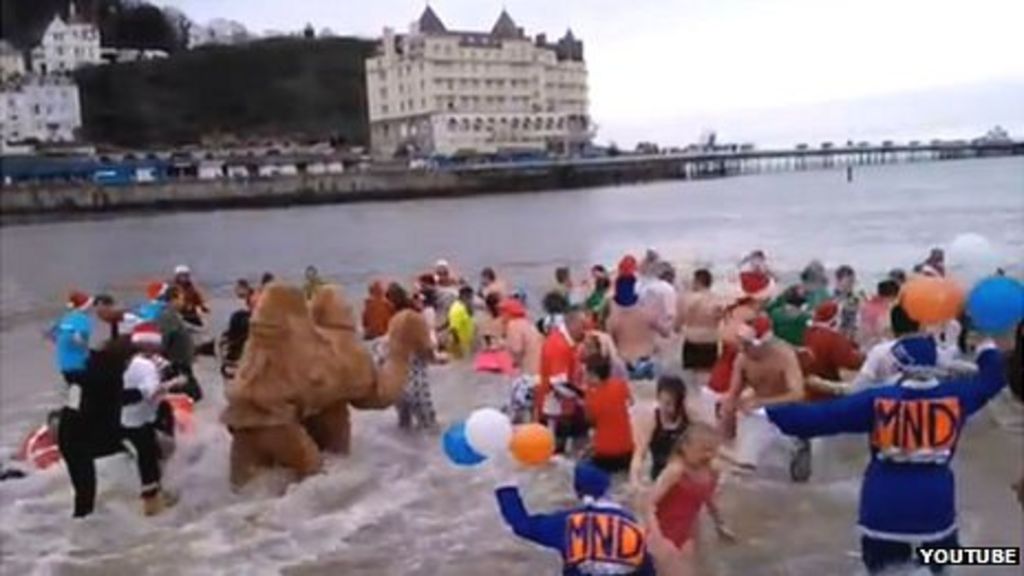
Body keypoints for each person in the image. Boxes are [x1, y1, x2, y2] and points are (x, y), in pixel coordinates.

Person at [766, 334, 1008, 574]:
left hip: (882, 513)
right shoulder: (958, 398)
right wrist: (986, 346)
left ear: (896, 365)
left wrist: (766, 411)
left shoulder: (876, 401)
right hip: (935, 512)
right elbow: (993, 379)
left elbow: (817, 419)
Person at [495, 461, 655, 576]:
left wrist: (506, 486)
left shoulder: (567, 523)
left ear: (577, 492)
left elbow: (522, 525)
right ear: (608, 487)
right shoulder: (633, 523)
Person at [720, 315, 810, 480]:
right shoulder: (742, 358)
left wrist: (762, 402)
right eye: (741, 343)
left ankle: (799, 448)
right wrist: (725, 434)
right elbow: (732, 396)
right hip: (758, 412)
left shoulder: (784, 355)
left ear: (763, 344)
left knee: (791, 475)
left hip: (785, 411)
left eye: (747, 345)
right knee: (744, 465)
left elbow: (797, 394)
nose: (743, 349)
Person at [646, 423, 734, 576]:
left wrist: (720, 524)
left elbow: (709, 498)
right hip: (663, 533)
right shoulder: (675, 471)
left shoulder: (712, 470)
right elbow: (647, 504)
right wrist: (658, 539)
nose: (708, 455)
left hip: (687, 533)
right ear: (685, 447)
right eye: (703, 450)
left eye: (712, 450)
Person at [121, 323, 179, 516]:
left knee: (146, 457)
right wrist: (170, 385)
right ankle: (153, 505)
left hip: (122, 420)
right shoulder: (148, 365)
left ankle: (150, 495)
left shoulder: (122, 361)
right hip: (139, 420)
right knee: (150, 458)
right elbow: (150, 392)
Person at [385, 283, 445, 430]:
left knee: (404, 428)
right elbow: (426, 348)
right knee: (430, 428)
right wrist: (439, 359)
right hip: (415, 382)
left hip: (396, 382)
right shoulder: (414, 318)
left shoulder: (393, 321)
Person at [536, 307, 589, 454]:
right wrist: (584, 397)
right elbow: (558, 384)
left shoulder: (567, 342)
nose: (585, 331)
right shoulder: (559, 345)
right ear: (572, 324)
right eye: (583, 326)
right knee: (553, 454)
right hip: (553, 409)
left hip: (567, 407)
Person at [630, 375, 690, 488]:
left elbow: (706, 441)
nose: (672, 409)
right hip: (661, 475)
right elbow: (639, 454)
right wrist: (635, 480)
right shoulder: (651, 420)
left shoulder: (689, 416)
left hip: (685, 472)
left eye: (676, 404)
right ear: (658, 399)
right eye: (667, 404)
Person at [607, 271, 668, 380]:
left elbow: (610, 345)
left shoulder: (613, 319)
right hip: (647, 361)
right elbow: (666, 332)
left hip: (625, 363)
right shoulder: (648, 313)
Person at [582, 348, 634, 474]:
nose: (584, 377)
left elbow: (590, 420)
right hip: (628, 451)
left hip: (605, 454)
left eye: (586, 373)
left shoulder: (591, 395)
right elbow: (631, 403)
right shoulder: (621, 385)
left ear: (593, 375)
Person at [802, 301, 865, 400]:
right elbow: (851, 362)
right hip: (828, 394)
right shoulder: (832, 338)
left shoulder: (810, 332)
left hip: (810, 391)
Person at [676, 269, 722, 387]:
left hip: (693, 340)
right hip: (710, 341)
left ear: (697, 281)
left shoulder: (688, 299)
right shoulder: (717, 300)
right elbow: (721, 320)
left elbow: (678, 322)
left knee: (691, 379)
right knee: (707, 377)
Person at [501, 297, 543, 423]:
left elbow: (517, 349)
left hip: (528, 377)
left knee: (516, 418)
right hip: (540, 375)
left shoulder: (513, 325)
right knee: (534, 414)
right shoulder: (528, 324)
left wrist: (505, 346)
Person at [158, 286, 201, 401]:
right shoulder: (168, 316)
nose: (183, 302)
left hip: (182, 363)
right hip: (176, 364)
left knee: (192, 395)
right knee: (191, 395)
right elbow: (164, 340)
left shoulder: (174, 315)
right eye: (181, 299)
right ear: (173, 299)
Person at [47, 291, 94, 389]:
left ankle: (73, 403)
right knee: (85, 391)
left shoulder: (64, 318)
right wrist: (86, 351)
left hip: (64, 364)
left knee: (74, 391)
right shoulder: (83, 319)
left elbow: (50, 334)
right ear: (85, 306)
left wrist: (64, 344)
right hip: (80, 364)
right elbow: (79, 339)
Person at [858, 279, 900, 349]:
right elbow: (885, 331)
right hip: (879, 348)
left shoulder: (864, 305)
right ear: (892, 296)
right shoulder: (887, 310)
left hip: (863, 347)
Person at [641, 261, 678, 335]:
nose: (674, 279)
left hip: (647, 329)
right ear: (668, 275)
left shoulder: (648, 287)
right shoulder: (669, 289)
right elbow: (670, 313)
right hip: (664, 331)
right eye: (673, 276)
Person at [172, 265, 210, 329]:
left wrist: (204, 306)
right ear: (177, 276)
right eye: (183, 275)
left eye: (186, 275)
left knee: (204, 325)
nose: (185, 277)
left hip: (190, 313)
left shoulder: (191, 287)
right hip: (178, 314)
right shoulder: (173, 288)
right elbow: (174, 304)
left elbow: (199, 299)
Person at [833, 265, 863, 342]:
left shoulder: (855, 299)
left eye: (853, 281)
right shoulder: (831, 299)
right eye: (849, 281)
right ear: (838, 281)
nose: (851, 284)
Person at [447, 285, 476, 359]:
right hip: (461, 346)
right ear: (464, 296)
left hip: (466, 344)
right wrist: (459, 347)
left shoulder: (463, 307)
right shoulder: (457, 309)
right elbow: (453, 330)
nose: (471, 300)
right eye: (470, 297)